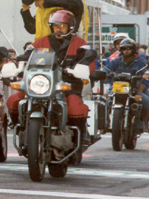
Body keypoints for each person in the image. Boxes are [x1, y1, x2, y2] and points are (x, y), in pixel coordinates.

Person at [7, 10, 96, 144]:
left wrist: (81, 67)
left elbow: (89, 55)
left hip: (68, 84)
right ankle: (20, 128)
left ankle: (79, 136)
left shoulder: (78, 43)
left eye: (62, 27)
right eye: (55, 26)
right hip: (41, 82)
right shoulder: (41, 42)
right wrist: (16, 66)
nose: (58, 30)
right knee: (13, 100)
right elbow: (26, 55)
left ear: (70, 28)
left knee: (75, 106)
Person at [102, 38, 149, 134]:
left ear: (133, 49)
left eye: (129, 48)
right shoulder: (116, 61)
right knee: (105, 100)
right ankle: (105, 123)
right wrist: (105, 75)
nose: (126, 50)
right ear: (121, 50)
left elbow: (147, 71)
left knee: (145, 100)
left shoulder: (141, 61)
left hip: (135, 89)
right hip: (117, 89)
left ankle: (142, 124)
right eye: (124, 48)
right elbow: (106, 70)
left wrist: (145, 78)